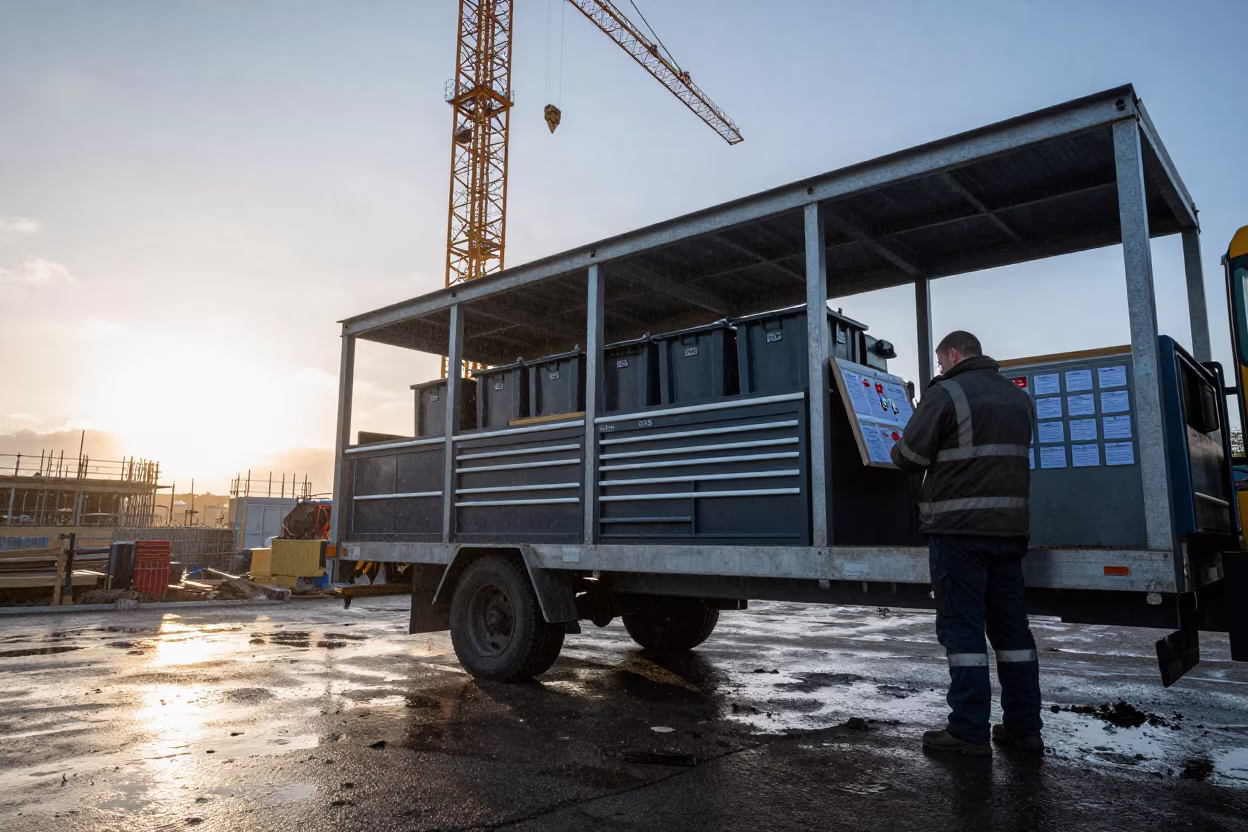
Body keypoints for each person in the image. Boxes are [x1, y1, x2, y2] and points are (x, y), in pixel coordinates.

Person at [889, 330, 1043, 755]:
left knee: (964, 632)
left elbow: (911, 457)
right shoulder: (1017, 397)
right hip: (1010, 532)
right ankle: (1025, 728)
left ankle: (968, 731)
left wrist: (896, 450)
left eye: (940, 363)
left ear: (953, 355)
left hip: (959, 533)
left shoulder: (948, 393)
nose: (940, 369)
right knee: (1013, 633)